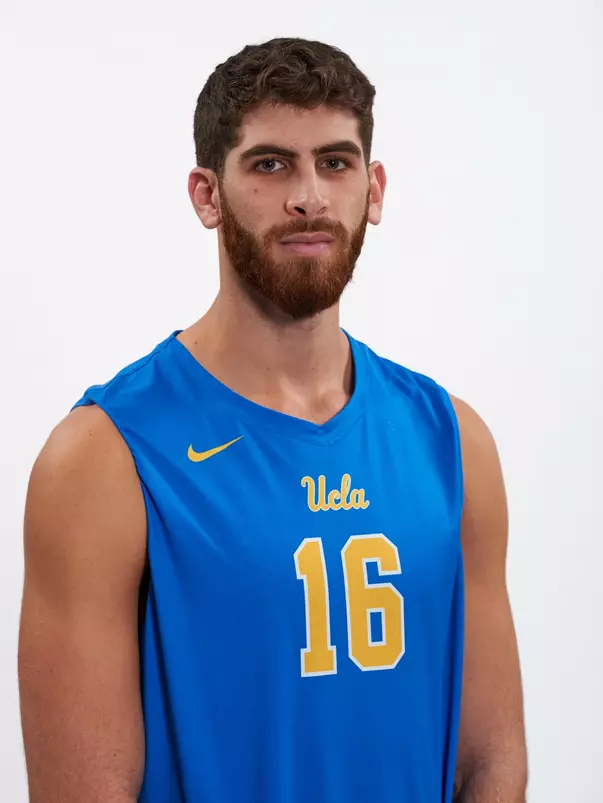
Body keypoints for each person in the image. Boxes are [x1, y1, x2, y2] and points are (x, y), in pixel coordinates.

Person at [18, 37, 528, 803]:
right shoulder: (106, 456)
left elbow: (488, 760)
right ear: (206, 194)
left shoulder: (451, 441)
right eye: (269, 164)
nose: (308, 197)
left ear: (374, 188)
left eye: (335, 161)